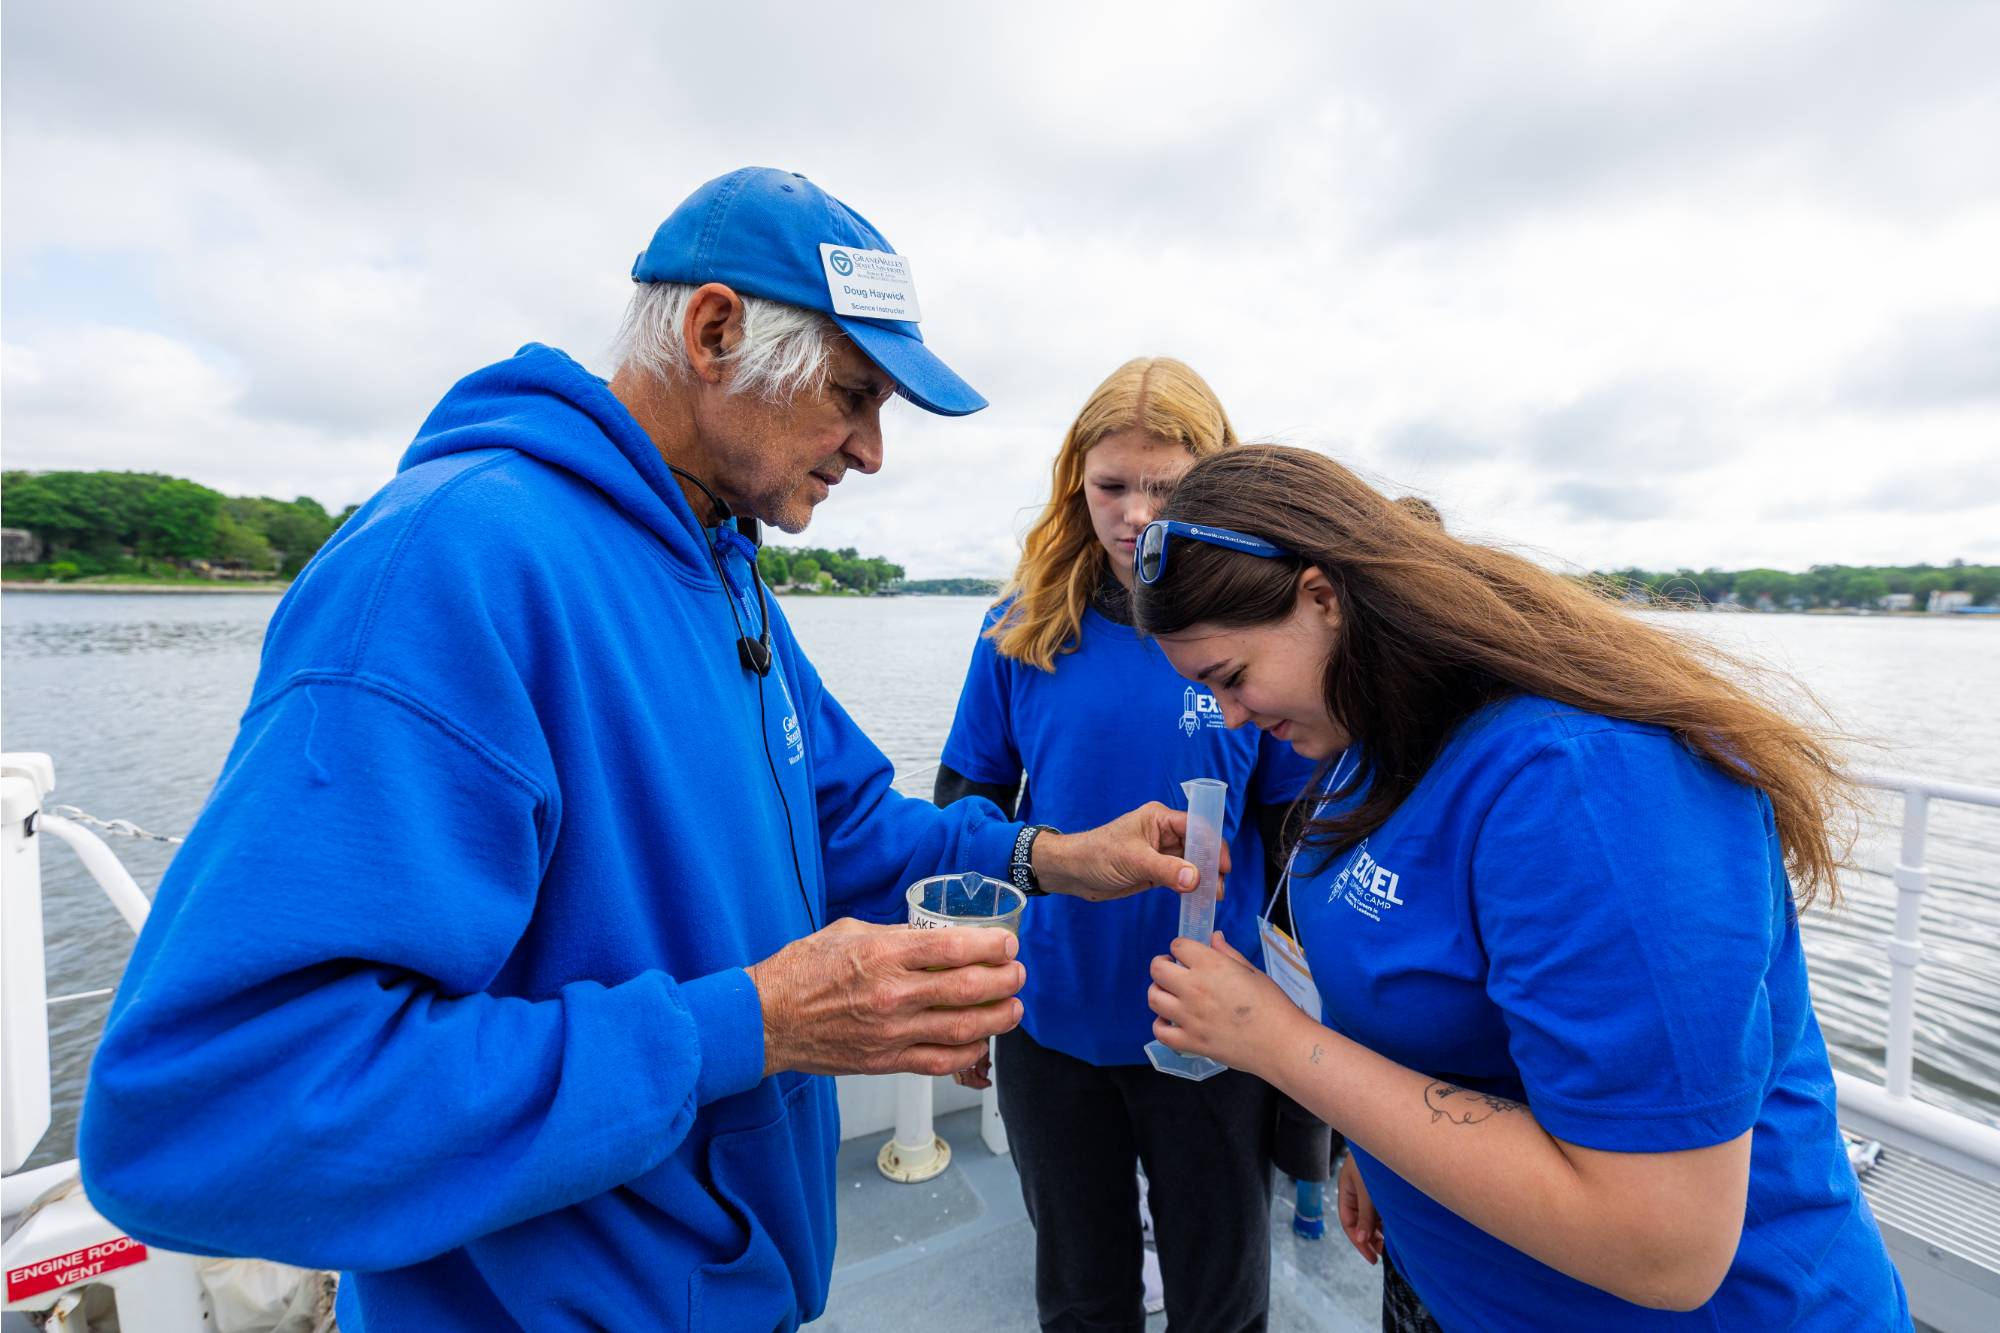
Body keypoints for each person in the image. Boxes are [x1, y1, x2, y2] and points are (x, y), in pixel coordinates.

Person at [77, 168, 1215, 1333]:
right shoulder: (449, 565)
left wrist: (1060, 855)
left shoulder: (720, 576)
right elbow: (208, 1111)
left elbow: (848, 825)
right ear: (714, 330)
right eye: (852, 394)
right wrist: (752, 1024)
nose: (871, 450)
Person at [1131, 445, 1912, 1331]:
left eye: (1230, 678)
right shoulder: (1372, 732)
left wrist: (1277, 1043)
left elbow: (1666, 1244)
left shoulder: (1590, 788)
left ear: (1323, 598)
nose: (1231, 719)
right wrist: (1381, 1149)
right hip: (1451, 1284)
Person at [933, 359, 1315, 1332]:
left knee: (1220, 1305)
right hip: (1050, 1026)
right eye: (1110, 485)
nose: (1136, 514)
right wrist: (964, 984)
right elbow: (962, 804)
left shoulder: (1256, 638)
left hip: (1213, 1030)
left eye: (1166, 488)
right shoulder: (1016, 632)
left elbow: (1298, 839)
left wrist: (1303, 1018)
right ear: (1075, 483)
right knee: (1080, 1300)